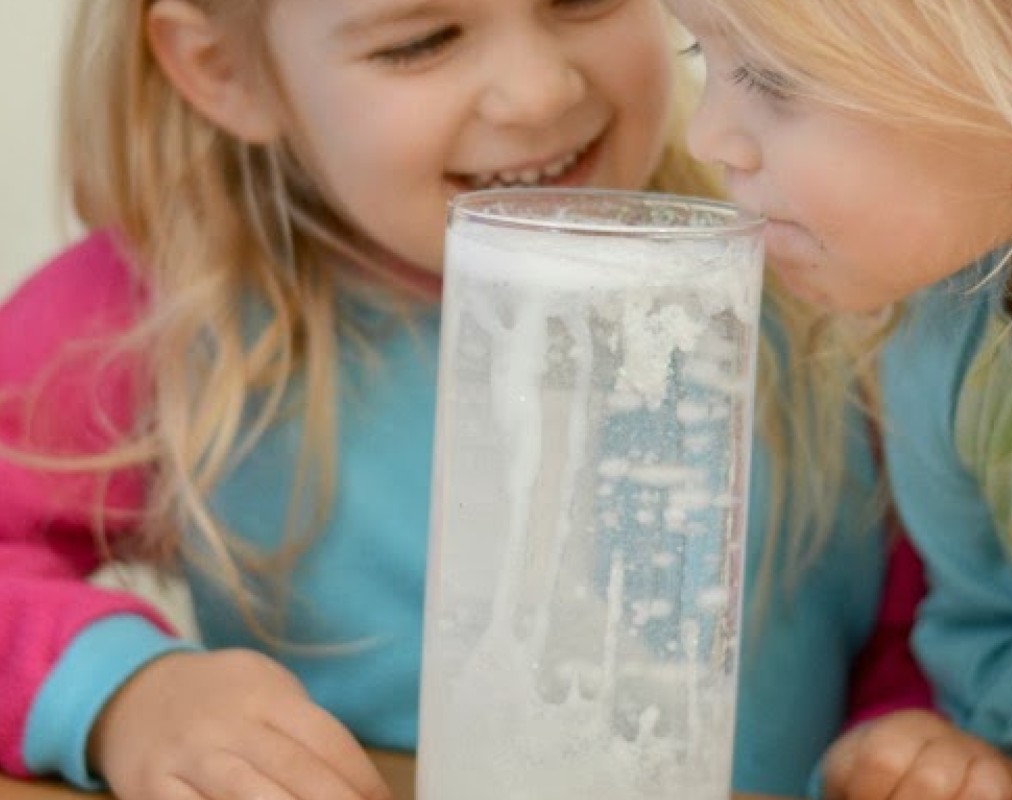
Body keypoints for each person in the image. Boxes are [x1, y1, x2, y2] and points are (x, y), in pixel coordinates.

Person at [0, 1, 932, 799]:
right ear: (222, 71)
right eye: (423, 39)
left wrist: (908, 732)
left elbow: (926, 608)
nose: (539, 92)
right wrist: (124, 695)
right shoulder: (160, 315)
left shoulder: (825, 280)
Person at [665, 0, 1012, 798]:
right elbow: (996, 624)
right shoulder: (942, 353)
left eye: (775, 79)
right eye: (700, 53)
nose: (704, 136)